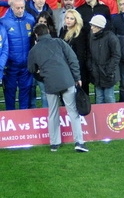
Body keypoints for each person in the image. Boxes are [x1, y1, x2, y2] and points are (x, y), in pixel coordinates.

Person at [27, 23, 87, 152]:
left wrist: (41, 73)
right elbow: (73, 59)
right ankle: (79, 143)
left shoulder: (34, 50)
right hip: (66, 80)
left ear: (36, 35)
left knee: (53, 113)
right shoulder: (59, 42)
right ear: (48, 31)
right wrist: (77, 77)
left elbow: (31, 68)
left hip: (50, 83)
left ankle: (54, 144)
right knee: (73, 112)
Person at [0, 0, 35, 110]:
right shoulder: (3, 22)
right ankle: (11, 116)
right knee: (10, 91)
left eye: (22, 7)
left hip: (26, 65)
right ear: (12, 8)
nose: (20, 10)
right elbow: (1, 45)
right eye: (17, 8)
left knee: (25, 90)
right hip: (11, 65)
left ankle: (23, 116)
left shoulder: (30, 19)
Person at [76, 0, 112, 93]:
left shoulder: (104, 9)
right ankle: (85, 105)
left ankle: (101, 105)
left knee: (100, 77)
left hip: (101, 49)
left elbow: (109, 28)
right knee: (84, 78)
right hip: (85, 49)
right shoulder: (80, 10)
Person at [88, 15, 120, 104]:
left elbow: (116, 55)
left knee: (109, 97)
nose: (91, 27)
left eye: (94, 26)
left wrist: (109, 71)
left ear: (100, 27)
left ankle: (112, 116)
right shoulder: (91, 36)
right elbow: (90, 53)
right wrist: (91, 68)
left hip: (108, 74)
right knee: (99, 97)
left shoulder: (111, 38)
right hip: (97, 73)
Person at [60, 10, 87, 92]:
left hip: (75, 67)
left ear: (76, 20)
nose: (68, 20)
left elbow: (80, 54)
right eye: (67, 18)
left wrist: (76, 69)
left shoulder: (79, 33)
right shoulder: (63, 30)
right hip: (64, 65)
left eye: (71, 18)